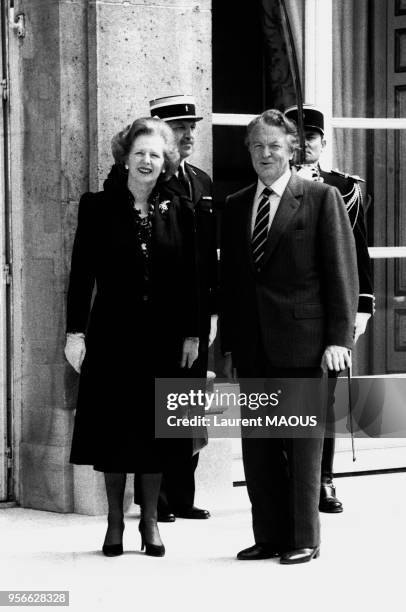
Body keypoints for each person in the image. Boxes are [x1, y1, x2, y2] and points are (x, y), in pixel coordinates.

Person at [220, 109, 358, 564]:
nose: (265, 154)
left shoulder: (321, 198)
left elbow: (342, 274)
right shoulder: (237, 203)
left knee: (302, 451)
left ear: (292, 149)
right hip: (254, 346)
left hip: (306, 345)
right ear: (249, 151)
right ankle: (271, 535)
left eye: (274, 146)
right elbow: (234, 281)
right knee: (259, 450)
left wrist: (340, 339)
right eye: (257, 146)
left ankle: (304, 538)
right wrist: (229, 344)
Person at [64, 117, 200, 557]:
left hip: (163, 340)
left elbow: (193, 280)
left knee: (156, 433)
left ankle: (151, 524)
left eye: (155, 155)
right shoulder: (97, 206)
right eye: (140, 152)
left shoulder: (181, 210)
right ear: (125, 158)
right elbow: (82, 275)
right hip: (112, 338)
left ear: (166, 163)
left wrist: (193, 334)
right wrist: (75, 334)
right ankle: (114, 523)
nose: (146, 161)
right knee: (115, 431)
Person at [284, 104, 375, 513]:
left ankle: (323, 481)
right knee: (285, 397)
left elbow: (358, 253)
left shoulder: (345, 189)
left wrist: (360, 309)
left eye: (312, 138)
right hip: (286, 311)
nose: (305, 144)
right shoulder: (274, 185)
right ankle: (288, 479)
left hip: (330, 311)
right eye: (298, 137)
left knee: (324, 400)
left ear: (323, 141)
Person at [139, 94, 218, 521]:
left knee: (190, 400)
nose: (189, 135)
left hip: (197, 312)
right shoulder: (146, 181)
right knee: (158, 401)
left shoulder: (202, 181)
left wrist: (212, 312)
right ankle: (156, 498)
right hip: (160, 314)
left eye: (192, 127)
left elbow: (209, 256)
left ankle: (183, 495)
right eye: (179, 128)